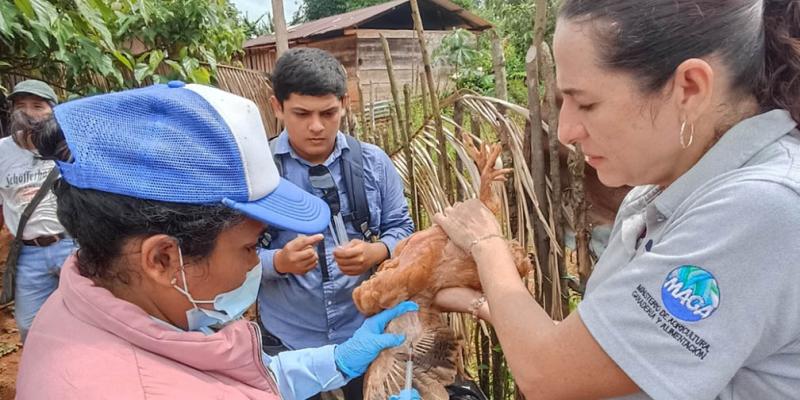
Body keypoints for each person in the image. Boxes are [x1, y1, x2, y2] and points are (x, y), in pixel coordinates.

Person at [432, 0, 800, 399]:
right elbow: (610, 355)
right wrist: (484, 304)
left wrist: (486, 244)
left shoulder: (763, 207)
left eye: (586, 103)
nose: (566, 131)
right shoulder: (657, 192)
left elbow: (554, 376)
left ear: (690, 88)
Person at [15, 82, 420, 400]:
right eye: (250, 247)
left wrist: (338, 360)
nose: (254, 264)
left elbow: (234, 377)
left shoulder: (81, 300)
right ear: (161, 259)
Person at [258, 48, 415, 398]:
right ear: (277, 107)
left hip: (364, 336)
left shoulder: (374, 164)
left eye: (328, 112)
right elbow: (230, 256)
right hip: (287, 344)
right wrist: (278, 263)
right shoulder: (259, 173)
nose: (316, 126)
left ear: (345, 103)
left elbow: (404, 230)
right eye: (301, 113)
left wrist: (377, 251)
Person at [0, 79, 76, 341]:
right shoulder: (2, 153)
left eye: (38, 105)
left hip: (72, 245)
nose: (29, 112)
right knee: (29, 326)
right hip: (28, 253)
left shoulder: (70, 145)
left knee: (87, 316)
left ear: (53, 110)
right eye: (21, 105)